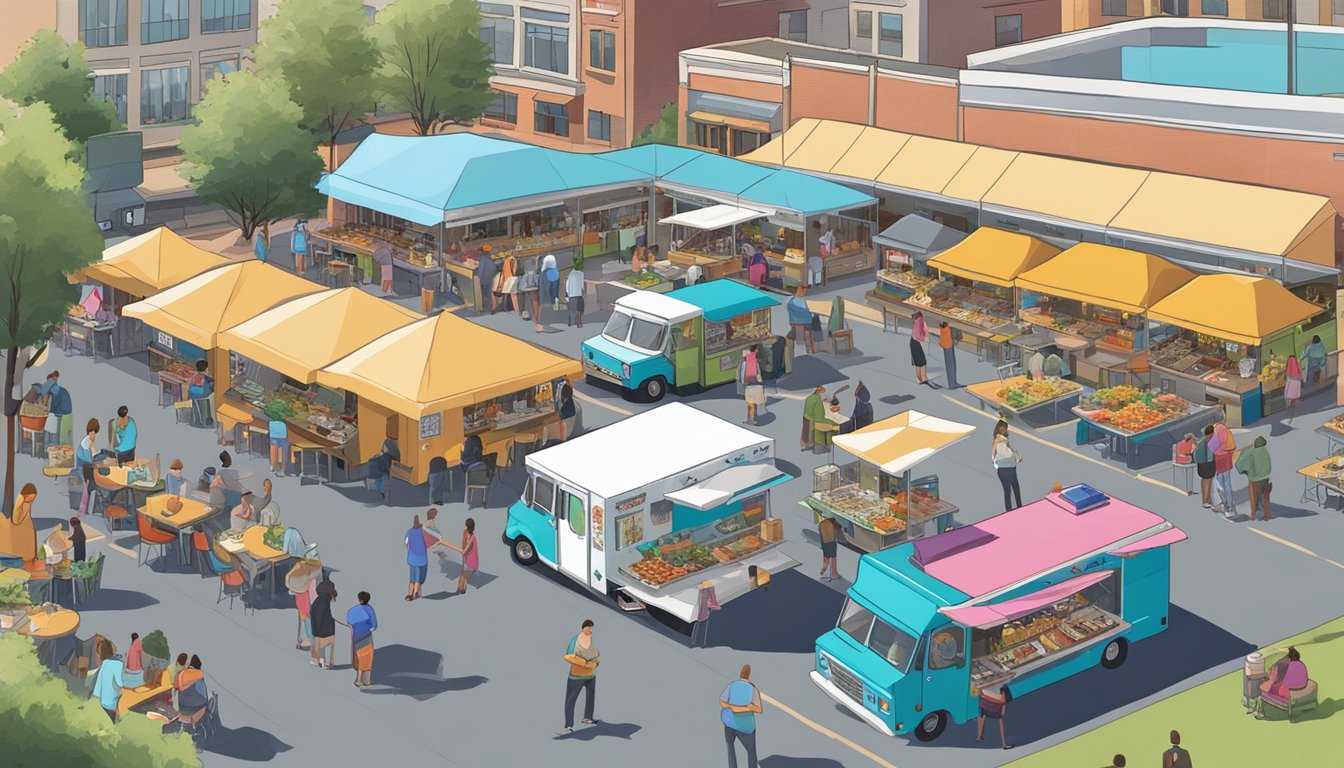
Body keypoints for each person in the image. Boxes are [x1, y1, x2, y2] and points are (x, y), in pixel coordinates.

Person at [561, 619, 600, 733]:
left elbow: (597, 655)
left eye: (591, 628)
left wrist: (595, 663)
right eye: (588, 627)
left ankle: (587, 718)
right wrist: (581, 662)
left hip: (590, 675)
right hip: (577, 676)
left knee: (590, 696)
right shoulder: (575, 640)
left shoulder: (591, 640)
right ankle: (568, 726)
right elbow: (567, 656)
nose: (590, 630)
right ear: (583, 628)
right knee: (571, 699)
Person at [721, 664, 763, 768]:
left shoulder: (732, 685)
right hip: (745, 727)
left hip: (729, 723)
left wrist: (733, 707)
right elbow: (759, 709)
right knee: (751, 752)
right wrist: (748, 708)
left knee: (730, 748)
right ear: (749, 676)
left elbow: (722, 701)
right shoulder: (753, 689)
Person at [1259, 646, 1309, 714]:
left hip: (1286, 692)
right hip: (1299, 686)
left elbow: (1275, 681)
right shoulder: (1300, 664)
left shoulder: (1282, 666)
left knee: (1265, 687)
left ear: (1287, 658)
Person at [1235, 435, 1272, 521]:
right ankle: (1268, 515)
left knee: (1253, 497)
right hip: (1266, 478)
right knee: (1266, 497)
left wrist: (1245, 471)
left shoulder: (1251, 452)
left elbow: (1240, 463)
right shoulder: (1265, 451)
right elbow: (1269, 466)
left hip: (1254, 480)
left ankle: (1253, 515)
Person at [1208, 411, 1237, 517]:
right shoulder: (1222, 428)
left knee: (1222, 483)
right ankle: (1226, 505)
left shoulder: (1219, 429)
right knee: (1224, 483)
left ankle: (1227, 506)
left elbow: (1214, 445)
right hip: (1225, 458)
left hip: (1221, 459)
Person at [0, 483, 38, 563]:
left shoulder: (23, 503)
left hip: (21, 554)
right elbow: (16, 520)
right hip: (19, 555)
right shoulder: (23, 504)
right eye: (31, 499)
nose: (32, 502)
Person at [89, 638, 124, 722]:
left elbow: (98, 684)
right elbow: (120, 683)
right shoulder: (118, 664)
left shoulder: (105, 663)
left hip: (100, 701)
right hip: (111, 703)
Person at [348, 591, 378, 687]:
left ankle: (358, 679)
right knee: (367, 658)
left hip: (356, 638)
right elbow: (374, 625)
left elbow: (349, 622)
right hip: (366, 637)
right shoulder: (370, 610)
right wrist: (368, 628)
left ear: (359, 599)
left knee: (358, 657)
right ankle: (366, 681)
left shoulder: (353, 611)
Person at [442, 518, 479, 594]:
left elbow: (465, 549)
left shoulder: (472, 538)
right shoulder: (466, 532)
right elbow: (463, 543)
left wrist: (449, 545)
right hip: (467, 555)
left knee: (464, 572)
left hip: (469, 556)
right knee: (464, 570)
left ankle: (461, 587)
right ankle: (462, 587)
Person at [288, 560, 318, 650]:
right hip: (305, 605)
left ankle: (308, 641)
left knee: (307, 622)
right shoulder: (309, 580)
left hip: (306, 605)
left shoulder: (302, 580)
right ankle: (307, 640)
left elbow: (291, 591)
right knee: (307, 621)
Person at [992, 421, 1022, 511]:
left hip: (1001, 470)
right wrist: (1017, 457)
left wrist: (996, 464)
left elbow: (993, 455)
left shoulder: (995, 440)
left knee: (1007, 491)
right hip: (1010, 469)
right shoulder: (1003, 440)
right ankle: (1019, 507)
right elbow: (1009, 454)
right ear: (1003, 429)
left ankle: (1008, 510)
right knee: (1016, 488)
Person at [38, 371, 73, 447]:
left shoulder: (55, 389)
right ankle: (47, 440)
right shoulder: (56, 389)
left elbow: (51, 401)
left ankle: (48, 441)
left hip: (62, 410)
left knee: (47, 417)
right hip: (60, 409)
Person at [74, 418, 102, 516]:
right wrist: (96, 462)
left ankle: (89, 510)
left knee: (91, 487)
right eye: (91, 433)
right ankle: (82, 511)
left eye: (94, 433)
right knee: (85, 490)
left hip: (86, 467)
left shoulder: (90, 440)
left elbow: (93, 453)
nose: (93, 435)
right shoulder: (86, 441)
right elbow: (87, 458)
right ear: (89, 432)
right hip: (82, 468)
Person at [310, 577, 337, 669]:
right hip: (324, 632)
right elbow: (320, 618)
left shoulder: (317, 601)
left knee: (320, 645)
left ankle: (319, 660)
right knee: (324, 645)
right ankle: (323, 662)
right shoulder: (324, 603)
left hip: (318, 631)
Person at [975, 685, 1011, 749]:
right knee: (1001, 716)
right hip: (996, 703)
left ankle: (979, 737)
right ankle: (1004, 744)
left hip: (984, 700)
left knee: (981, 714)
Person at [786, 285, 814, 359]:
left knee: (789, 338)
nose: (805, 291)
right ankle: (810, 350)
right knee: (808, 334)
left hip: (795, 325)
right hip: (806, 325)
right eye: (804, 289)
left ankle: (790, 356)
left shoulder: (791, 302)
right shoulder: (806, 302)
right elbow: (812, 314)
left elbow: (790, 313)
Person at [372, 428, 401, 502]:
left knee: (380, 479)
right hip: (386, 466)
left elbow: (383, 450)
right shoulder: (392, 444)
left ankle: (381, 492)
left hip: (382, 466)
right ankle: (383, 493)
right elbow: (396, 455)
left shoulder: (386, 442)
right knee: (384, 480)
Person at [405, 515, 428, 601]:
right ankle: (416, 592)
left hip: (412, 558)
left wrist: (411, 550)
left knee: (412, 577)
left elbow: (406, 543)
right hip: (422, 558)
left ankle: (409, 593)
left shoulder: (409, 532)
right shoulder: (423, 531)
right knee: (420, 577)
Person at [740, 345, 764, 426]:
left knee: (750, 403)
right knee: (754, 403)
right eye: (757, 349)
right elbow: (758, 372)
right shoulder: (755, 360)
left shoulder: (745, 362)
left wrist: (743, 382)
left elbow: (743, 373)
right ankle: (753, 417)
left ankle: (751, 419)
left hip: (749, 385)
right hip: (757, 384)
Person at [1195, 425, 1216, 509]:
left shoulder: (1202, 441)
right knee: (1208, 481)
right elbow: (1210, 455)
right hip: (1207, 463)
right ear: (1211, 433)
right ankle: (1206, 500)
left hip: (1200, 463)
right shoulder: (1209, 442)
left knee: (1204, 480)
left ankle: (1207, 498)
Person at [802, 384, 827, 452]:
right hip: (812, 419)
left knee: (806, 432)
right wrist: (821, 419)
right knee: (812, 433)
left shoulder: (810, 397)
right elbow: (818, 412)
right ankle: (813, 445)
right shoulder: (817, 399)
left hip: (806, 416)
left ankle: (807, 445)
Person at [475, 245, 498, 314]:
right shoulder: (489, 258)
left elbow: (481, 270)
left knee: (485, 295)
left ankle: (486, 309)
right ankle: (491, 308)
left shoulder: (483, 259)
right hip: (490, 278)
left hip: (484, 280)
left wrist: (478, 278)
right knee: (489, 294)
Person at [818, 517, 841, 581]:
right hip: (831, 541)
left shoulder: (822, 523)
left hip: (824, 542)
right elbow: (835, 531)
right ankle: (834, 573)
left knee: (826, 555)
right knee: (833, 557)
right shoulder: (830, 523)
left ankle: (824, 569)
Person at [810, 220, 832, 287]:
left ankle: (820, 281)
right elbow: (824, 240)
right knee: (822, 266)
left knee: (821, 267)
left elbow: (824, 240)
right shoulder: (823, 231)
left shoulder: (822, 231)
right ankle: (821, 281)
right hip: (823, 250)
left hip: (823, 250)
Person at [910, 311, 930, 385]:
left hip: (913, 341)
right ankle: (923, 378)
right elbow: (919, 333)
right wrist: (923, 339)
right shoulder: (920, 320)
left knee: (918, 362)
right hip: (917, 342)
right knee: (922, 362)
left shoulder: (917, 320)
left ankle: (919, 378)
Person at [565, 258, 586, 328]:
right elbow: (582, 286)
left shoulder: (570, 275)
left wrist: (567, 295)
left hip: (571, 295)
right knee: (579, 310)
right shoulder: (581, 274)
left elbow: (567, 286)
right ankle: (579, 324)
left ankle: (570, 323)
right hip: (579, 294)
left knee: (571, 310)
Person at [939, 321, 959, 389]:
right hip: (947, 343)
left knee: (951, 363)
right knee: (950, 364)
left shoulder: (944, 325)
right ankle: (952, 384)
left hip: (947, 342)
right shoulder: (946, 325)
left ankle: (953, 382)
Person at [1283, 354, 1302, 423]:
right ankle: (1294, 414)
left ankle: (1288, 415)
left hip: (1291, 383)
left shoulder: (1290, 364)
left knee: (1288, 399)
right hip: (1296, 383)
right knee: (1295, 399)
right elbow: (1301, 373)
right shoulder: (1297, 364)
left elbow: (1287, 374)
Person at [502, 250, 521, 315]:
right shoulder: (513, 260)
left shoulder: (506, 260)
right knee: (514, 294)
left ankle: (505, 307)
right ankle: (516, 308)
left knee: (506, 294)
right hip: (512, 278)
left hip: (507, 277)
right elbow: (514, 270)